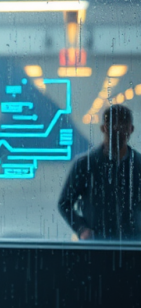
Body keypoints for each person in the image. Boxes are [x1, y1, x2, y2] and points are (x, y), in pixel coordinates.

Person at [58, 103, 141, 241]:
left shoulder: (86, 163)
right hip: (110, 243)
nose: (117, 130)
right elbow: (64, 203)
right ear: (103, 128)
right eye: (113, 126)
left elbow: (64, 202)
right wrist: (81, 229)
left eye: (122, 126)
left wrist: (81, 229)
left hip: (120, 243)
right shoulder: (85, 164)